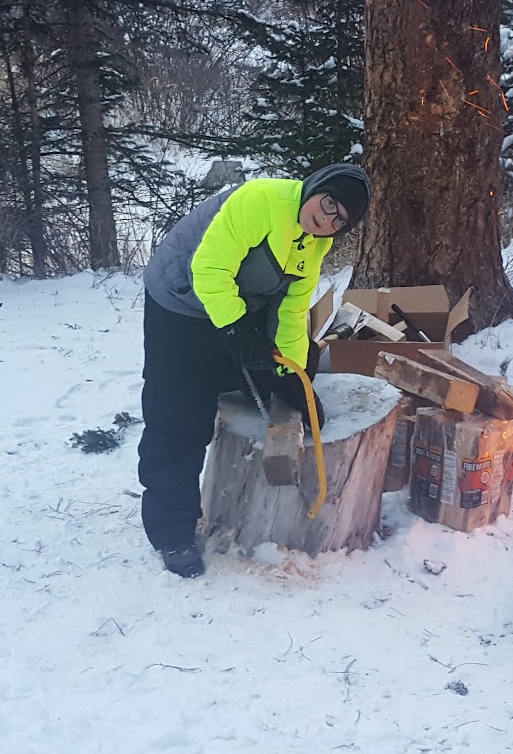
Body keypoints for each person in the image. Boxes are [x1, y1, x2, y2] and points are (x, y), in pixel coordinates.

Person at [137, 162, 371, 577]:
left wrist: (293, 376)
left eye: (340, 220)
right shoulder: (260, 200)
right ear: (316, 187)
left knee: (262, 375)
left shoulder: (315, 243)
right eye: (329, 202)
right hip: (182, 299)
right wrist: (240, 334)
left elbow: (293, 311)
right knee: (179, 414)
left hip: (238, 302)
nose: (327, 218)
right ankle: (172, 529)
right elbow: (208, 271)